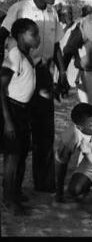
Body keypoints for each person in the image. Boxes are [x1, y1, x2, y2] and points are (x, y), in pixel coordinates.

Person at [0, 0, 69, 193]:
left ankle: (44, 182)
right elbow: (2, 35)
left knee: (45, 130)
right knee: (20, 134)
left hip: (43, 74)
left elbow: (57, 45)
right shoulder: (19, 9)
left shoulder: (53, 12)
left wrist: (63, 73)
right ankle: (14, 190)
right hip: (21, 74)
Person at [1, 18, 40, 215]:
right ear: (20, 35)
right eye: (34, 34)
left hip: (23, 111)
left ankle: (15, 191)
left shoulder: (26, 55)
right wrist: (8, 121)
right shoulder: (15, 55)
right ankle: (9, 199)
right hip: (12, 111)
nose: (38, 38)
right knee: (13, 157)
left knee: (22, 153)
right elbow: (1, 86)